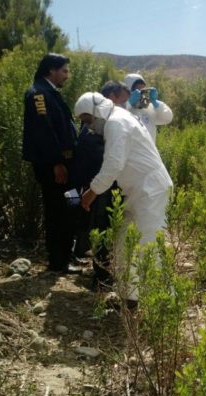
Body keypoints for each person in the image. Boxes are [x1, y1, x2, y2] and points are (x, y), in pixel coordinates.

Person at [74, 92, 174, 308]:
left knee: (148, 245)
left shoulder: (116, 123)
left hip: (151, 190)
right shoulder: (118, 118)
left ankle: (164, 305)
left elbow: (113, 165)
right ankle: (130, 298)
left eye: (88, 120)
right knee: (122, 243)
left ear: (97, 111)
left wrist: (92, 192)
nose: (89, 127)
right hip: (138, 191)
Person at [22, 52, 80, 274]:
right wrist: (57, 163)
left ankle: (67, 255)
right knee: (58, 211)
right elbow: (44, 132)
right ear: (51, 70)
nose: (67, 75)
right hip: (55, 168)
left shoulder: (50, 93)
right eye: (64, 71)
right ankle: (58, 262)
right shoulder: (38, 95)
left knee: (71, 206)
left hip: (67, 166)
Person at [71, 81, 130, 289]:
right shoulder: (95, 128)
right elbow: (104, 161)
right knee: (101, 230)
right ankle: (102, 278)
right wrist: (93, 189)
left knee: (101, 228)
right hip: (100, 186)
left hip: (98, 185)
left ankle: (102, 273)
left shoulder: (106, 124)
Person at [123, 73, 173, 142]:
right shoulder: (121, 108)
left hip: (149, 152)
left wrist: (155, 103)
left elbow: (168, 118)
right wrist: (129, 103)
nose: (141, 95)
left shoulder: (149, 107)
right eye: (137, 91)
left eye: (143, 90)